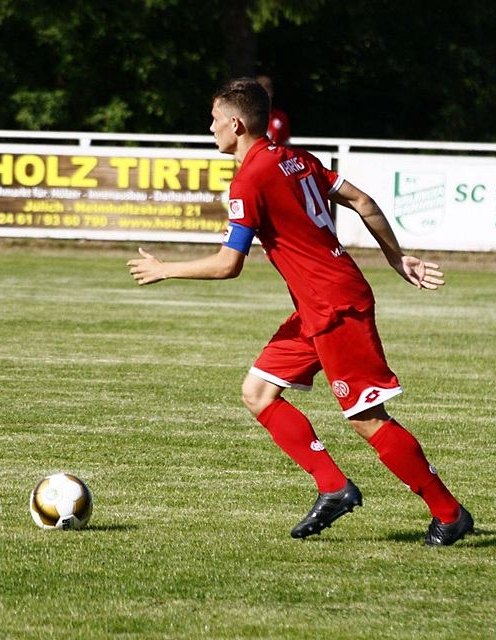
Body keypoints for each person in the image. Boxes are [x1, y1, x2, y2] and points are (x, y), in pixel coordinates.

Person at [127, 77, 473, 546]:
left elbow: (230, 265)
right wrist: (396, 256)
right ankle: (334, 487)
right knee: (257, 393)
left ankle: (449, 513)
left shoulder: (249, 178)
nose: (209, 129)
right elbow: (362, 201)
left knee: (367, 418)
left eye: (213, 120)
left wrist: (166, 268)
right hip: (317, 305)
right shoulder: (298, 159)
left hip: (336, 307)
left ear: (235, 123)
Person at [256, 75, 290, 146]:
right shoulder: (248, 117)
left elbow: (284, 143)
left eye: (267, 92)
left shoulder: (281, 117)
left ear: (271, 93)